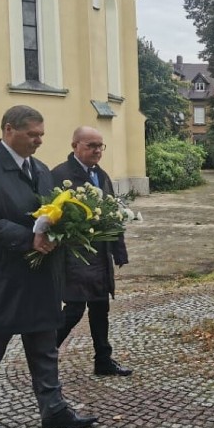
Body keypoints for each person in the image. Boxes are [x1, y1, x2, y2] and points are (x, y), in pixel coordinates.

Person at [0, 105, 99, 428]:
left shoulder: (41, 169)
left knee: (44, 343)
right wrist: (27, 238)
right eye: (31, 135)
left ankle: (53, 409)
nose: (38, 141)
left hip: (39, 275)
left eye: (41, 135)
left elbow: (52, 212)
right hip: (1, 276)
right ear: (9, 130)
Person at [51, 127, 132, 377]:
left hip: (100, 256)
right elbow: (50, 215)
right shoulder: (59, 176)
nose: (97, 150)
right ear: (75, 145)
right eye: (91, 145)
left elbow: (112, 216)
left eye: (100, 146)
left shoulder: (102, 175)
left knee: (100, 308)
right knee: (74, 309)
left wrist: (119, 251)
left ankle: (103, 360)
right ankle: (43, 356)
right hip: (75, 255)